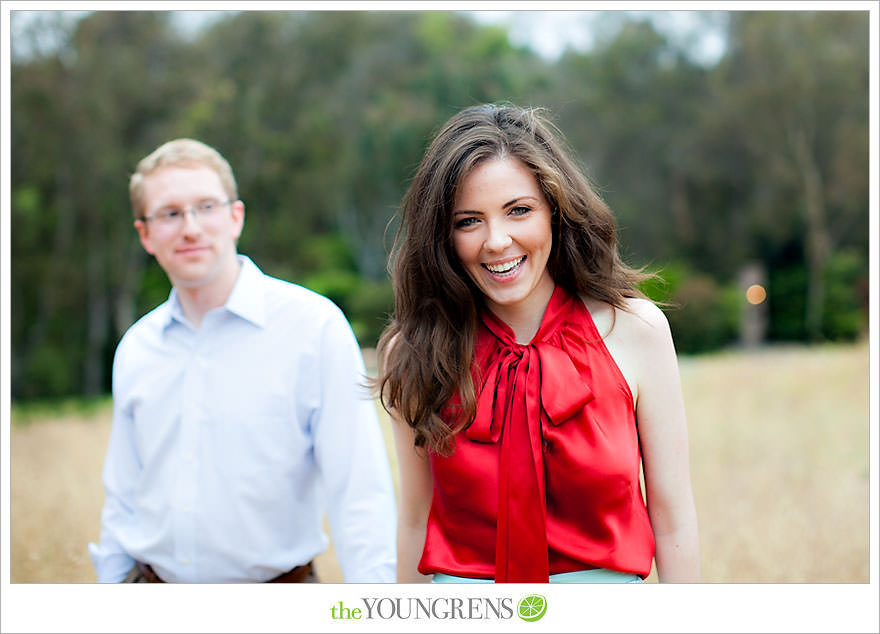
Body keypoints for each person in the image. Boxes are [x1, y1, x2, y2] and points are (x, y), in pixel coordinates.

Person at [377, 104, 700, 583]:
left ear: (555, 209)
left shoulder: (637, 332)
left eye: (519, 210)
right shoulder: (412, 351)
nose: (497, 241)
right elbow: (413, 521)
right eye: (469, 221)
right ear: (443, 235)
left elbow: (673, 520)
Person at [88, 138, 396, 583]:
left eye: (206, 207)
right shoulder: (137, 348)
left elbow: (360, 494)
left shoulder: (314, 328)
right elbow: (123, 496)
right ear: (145, 234)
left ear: (236, 217)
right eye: (170, 213)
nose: (190, 227)